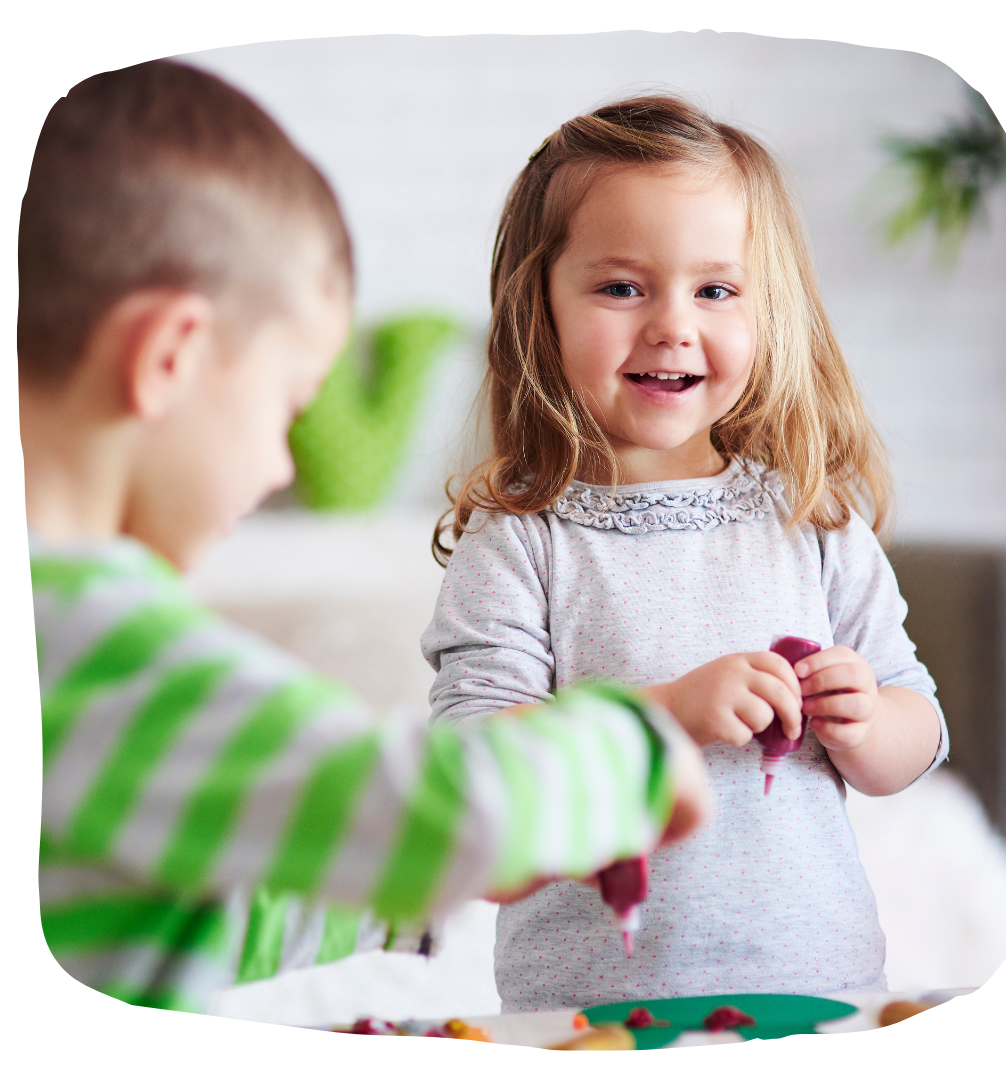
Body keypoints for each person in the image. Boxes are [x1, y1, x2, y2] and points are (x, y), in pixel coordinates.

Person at [17, 64, 708, 1028]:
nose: (272, 468)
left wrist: (393, 910)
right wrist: (632, 748)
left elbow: (147, 919)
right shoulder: (98, 639)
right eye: (286, 408)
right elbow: (424, 800)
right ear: (168, 358)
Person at [423, 96, 949, 1010]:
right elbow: (474, 775)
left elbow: (917, 728)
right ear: (536, 306)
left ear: (764, 310)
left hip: (816, 995)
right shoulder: (519, 544)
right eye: (623, 287)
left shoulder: (813, 523)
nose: (672, 324)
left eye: (715, 290)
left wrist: (868, 722)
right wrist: (660, 715)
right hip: (590, 1010)